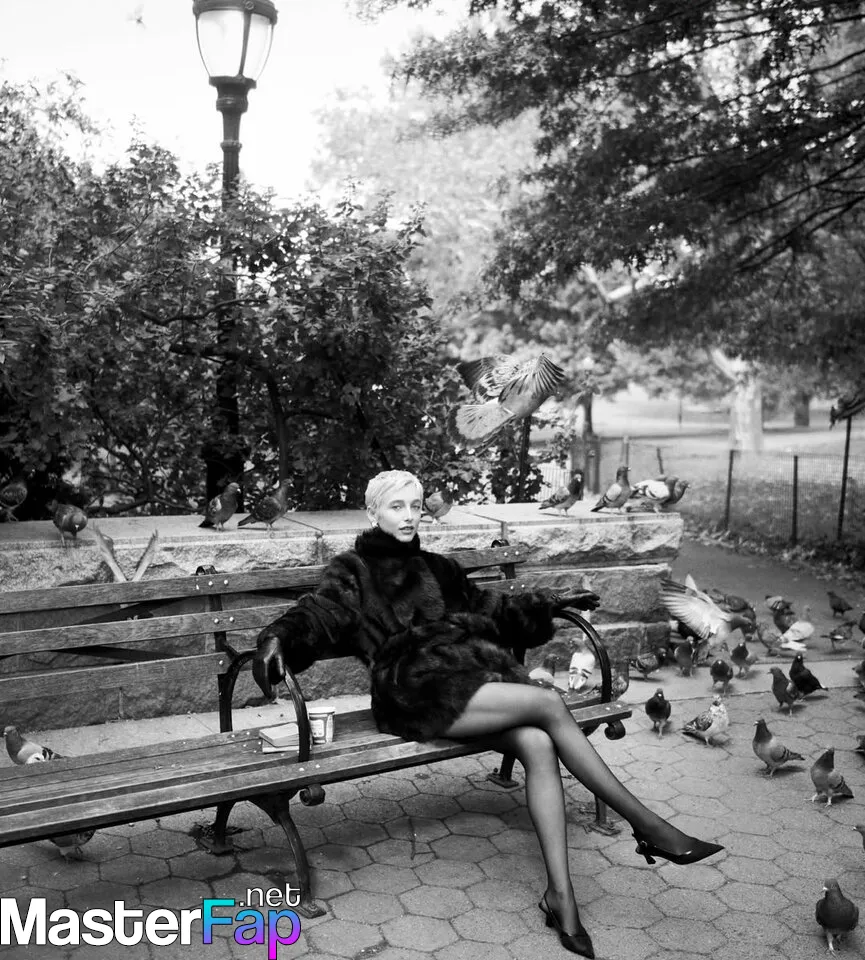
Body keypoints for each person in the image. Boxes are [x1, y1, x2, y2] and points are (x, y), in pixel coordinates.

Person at [253, 470, 723, 958]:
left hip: (467, 682)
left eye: (415, 505)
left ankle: (560, 897)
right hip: (411, 692)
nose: (410, 515)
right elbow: (316, 614)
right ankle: (649, 827)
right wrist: (277, 637)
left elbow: (494, 607)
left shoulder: (439, 568)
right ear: (373, 513)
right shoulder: (352, 572)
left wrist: (549, 605)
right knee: (547, 702)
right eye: (397, 506)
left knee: (537, 742)